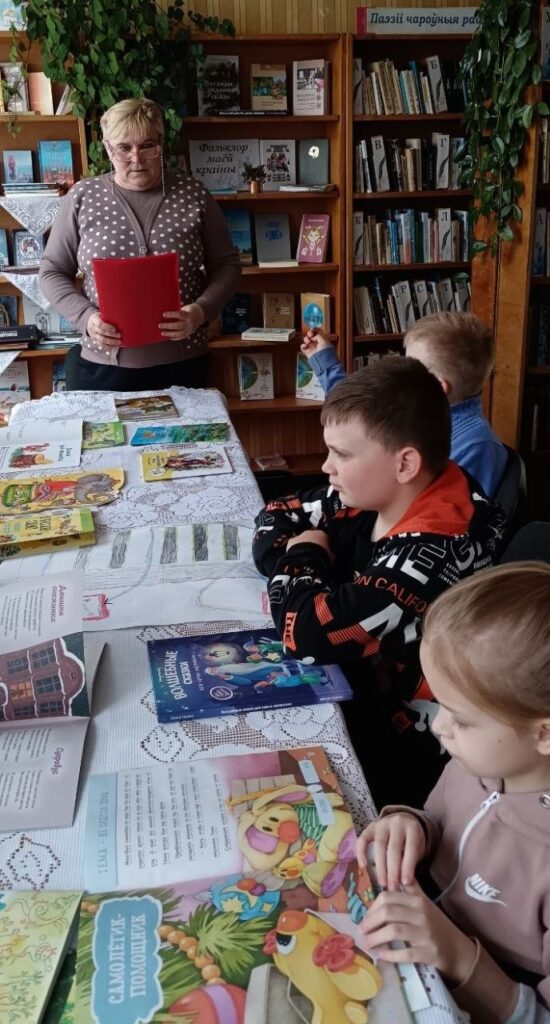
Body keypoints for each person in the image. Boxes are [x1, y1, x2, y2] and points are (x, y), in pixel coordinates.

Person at [252, 357, 506, 807]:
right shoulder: (380, 491)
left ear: (405, 462)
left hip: (408, 745)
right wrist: (306, 568)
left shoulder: (431, 551)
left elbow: (304, 635)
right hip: (364, 680)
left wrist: (308, 554)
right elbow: (275, 515)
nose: (326, 467)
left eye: (342, 454)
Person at [357, 562, 550, 1024]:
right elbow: (444, 822)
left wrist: (458, 957)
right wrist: (411, 825)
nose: (439, 727)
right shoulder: (481, 761)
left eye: (460, 719)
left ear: (544, 733)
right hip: (416, 925)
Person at [39, 98, 241, 391]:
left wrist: (200, 311)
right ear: (108, 149)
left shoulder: (193, 195)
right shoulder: (83, 197)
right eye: (124, 148)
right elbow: (52, 271)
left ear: (161, 144)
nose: (136, 158)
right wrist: (86, 317)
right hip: (102, 367)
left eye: (147, 146)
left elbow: (227, 266)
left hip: (183, 364)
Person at [301, 311, 507, 497]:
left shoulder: (476, 447)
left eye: (411, 367)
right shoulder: (417, 406)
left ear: (437, 386)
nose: (401, 371)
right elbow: (358, 411)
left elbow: (453, 514)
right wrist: (324, 361)